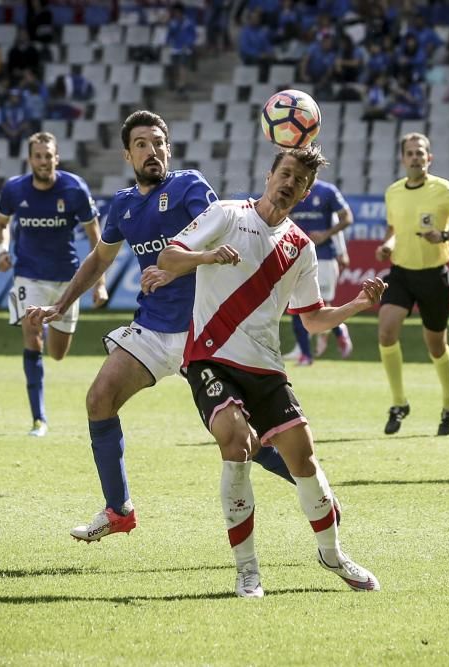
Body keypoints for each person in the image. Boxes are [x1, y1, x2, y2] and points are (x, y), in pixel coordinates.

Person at [25, 110, 298, 543]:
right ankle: (119, 510)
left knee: (246, 440)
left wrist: (175, 268)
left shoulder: (189, 186)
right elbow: (100, 258)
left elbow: (221, 238)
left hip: (202, 330)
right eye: (141, 144)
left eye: (158, 142)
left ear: (168, 148)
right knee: (99, 399)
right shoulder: (124, 205)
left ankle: (313, 487)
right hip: (153, 328)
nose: (152, 151)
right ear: (127, 154)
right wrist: (61, 304)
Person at [152, 143, 387, 598]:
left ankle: (332, 555)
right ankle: (247, 571)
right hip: (210, 356)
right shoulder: (225, 214)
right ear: (269, 174)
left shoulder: (301, 247)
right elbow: (168, 259)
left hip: (265, 366)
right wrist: (206, 257)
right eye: (285, 173)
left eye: (299, 180)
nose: (289, 183)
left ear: (306, 191)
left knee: (303, 455)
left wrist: (358, 304)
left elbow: (312, 318)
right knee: (237, 443)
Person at [0, 131, 107, 438]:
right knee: (32, 338)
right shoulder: (14, 190)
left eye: (49, 156)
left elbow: (97, 240)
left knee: (57, 353)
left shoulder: (74, 189)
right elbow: (2, 225)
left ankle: (47, 326)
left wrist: (98, 284)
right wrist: (2, 250)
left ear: (57, 158)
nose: (43, 161)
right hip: (27, 276)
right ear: (30, 159)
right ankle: (38, 419)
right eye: (38, 156)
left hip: (67, 281)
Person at [375, 132, 449, 437]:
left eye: (421, 152)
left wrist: (444, 236)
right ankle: (398, 403)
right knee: (385, 331)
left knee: (436, 346)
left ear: (429, 158)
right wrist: (387, 246)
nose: (416, 157)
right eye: (410, 152)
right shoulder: (393, 192)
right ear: (403, 158)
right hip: (401, 273)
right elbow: (395, 230)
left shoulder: (444, 190)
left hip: (433, 276)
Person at [284, 178, 354, 363]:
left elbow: (347, 218)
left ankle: (338, 329)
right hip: (296, 255)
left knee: (319, 307)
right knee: (297, 307)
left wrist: (326, 235)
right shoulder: (291, 189)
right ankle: (306, 354)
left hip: (324, 257)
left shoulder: (327, 191)